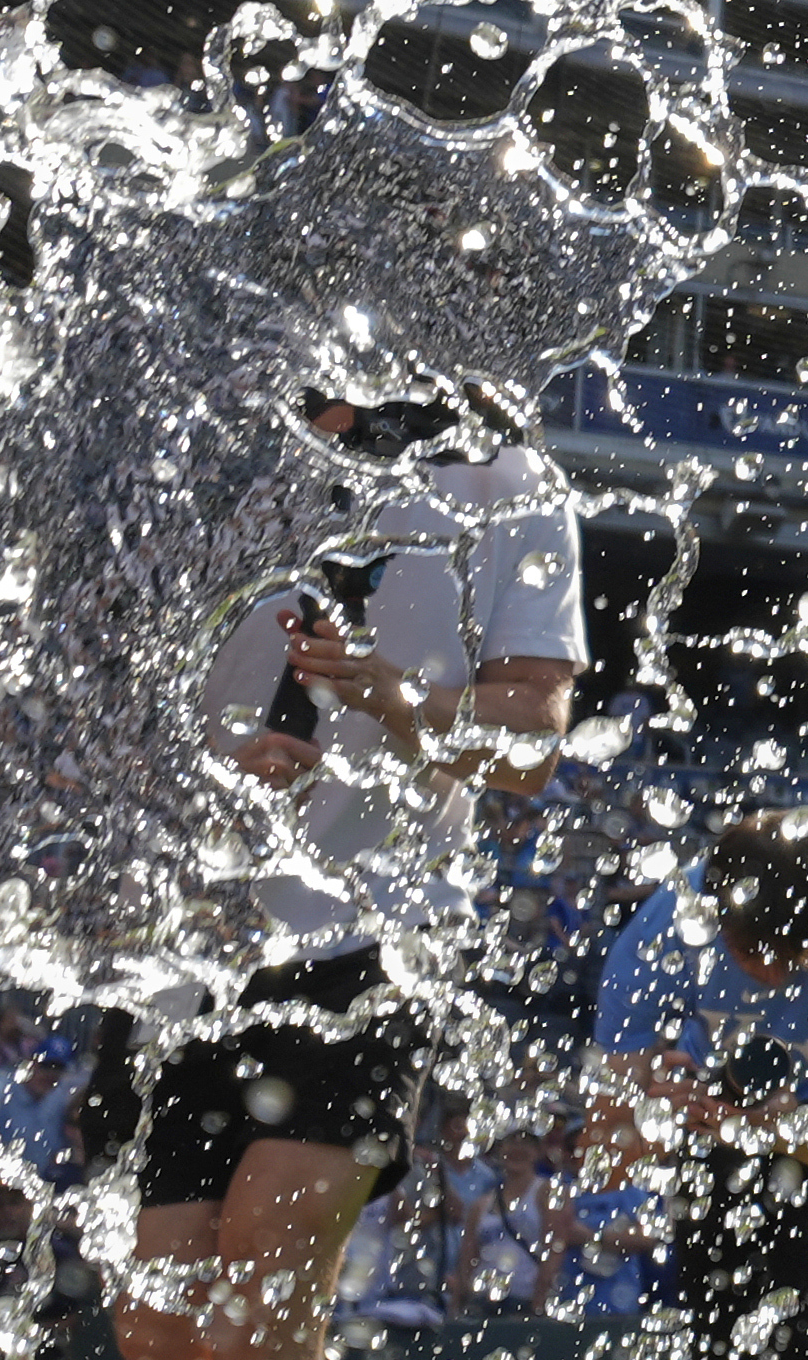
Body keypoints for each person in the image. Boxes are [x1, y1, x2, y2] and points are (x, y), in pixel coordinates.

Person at [94, 394, 585, 1360]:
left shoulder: (508, 479)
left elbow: (531, 739)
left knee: (261, 1290)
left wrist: (390, 696)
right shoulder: (215, 439)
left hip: (371, 935)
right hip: (181, 937)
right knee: (156, 1324)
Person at [588, 809, 808, 1360]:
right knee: (711, 1321)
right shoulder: (660, 931)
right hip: (710, 1092)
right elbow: (606, 1145)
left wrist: (773, 1131)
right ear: (716, 923)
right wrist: (660, 1117)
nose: (772, 978)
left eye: (795, 962)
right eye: (750, 957)